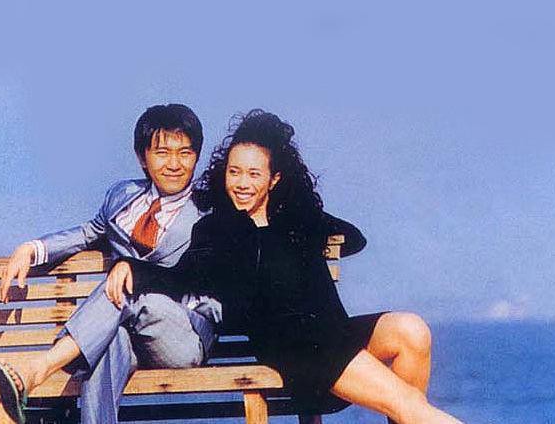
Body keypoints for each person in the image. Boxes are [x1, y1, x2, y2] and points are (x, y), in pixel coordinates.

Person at [117, 110, 463, 424]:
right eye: (234, 172)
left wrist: (306, 217)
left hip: (333, 336)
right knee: (407, 404)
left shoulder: (294, 222)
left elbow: (355, 240)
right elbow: (181, 278)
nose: (241, 183)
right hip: (298, 353)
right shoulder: (218, 231)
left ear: (274, 179)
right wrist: (130, 267)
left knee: (412, 330)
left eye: (254, 174)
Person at [0, 104, 221, 424]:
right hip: (128, 331)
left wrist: (134, 271)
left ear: (196, 156)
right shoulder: (122, 196)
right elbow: (87, 233)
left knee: (127, 286)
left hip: (184, 335)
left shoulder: (209, 210)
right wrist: (31, 249)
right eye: (162, 153)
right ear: (142, 158)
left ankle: (39, 369)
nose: (174, 164)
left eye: (185, 153)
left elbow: (190, 276)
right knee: (107, 345)